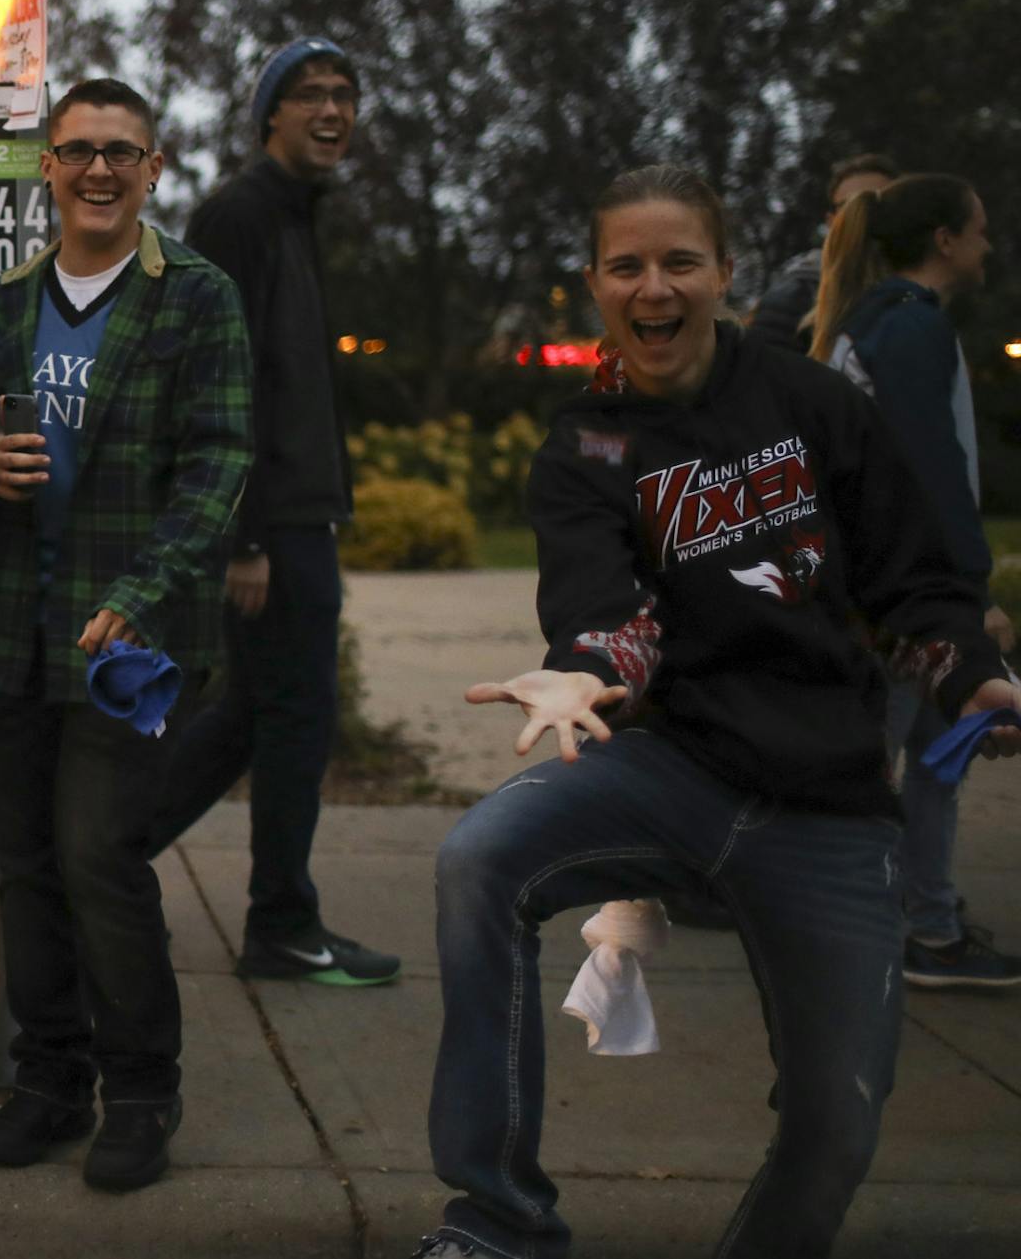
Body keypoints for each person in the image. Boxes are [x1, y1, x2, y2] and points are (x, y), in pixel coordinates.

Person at [418, 165, 1020, 1259]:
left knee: (839, 1121)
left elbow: (911, 583)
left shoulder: (813, 403)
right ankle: (497, 1219)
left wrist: (966, 671)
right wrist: (590, 668)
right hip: (674, 771)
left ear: (725, 273)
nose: (657, 287)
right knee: (482, 854)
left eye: (680, 261)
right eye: (628, 265)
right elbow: (613, 613)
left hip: (828, 800)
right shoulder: (588, 447)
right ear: (596, 283)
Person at [0, 78, 252, 1192]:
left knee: (98, 858)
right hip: (13, 629)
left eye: (120, 153)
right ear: (50, 169)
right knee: (27, 867)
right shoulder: (5, 303)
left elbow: (222, 459)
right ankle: (49, 1079)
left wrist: (147, 585)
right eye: (78, 151)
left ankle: (140, 1090)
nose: (97, 170)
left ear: (153, 168)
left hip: (131, 641)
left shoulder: (197, 298)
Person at [143, 36, 399, 985]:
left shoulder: (293, 217)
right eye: (310, 96)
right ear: (270, 119)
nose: (332, 111)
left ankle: (100, 861)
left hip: (296, 513)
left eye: (345, 94)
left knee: (251, 717)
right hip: (271, 525)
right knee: (294, 718)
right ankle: (281, 923)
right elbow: (221, 376)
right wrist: (242, 532)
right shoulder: (242, 217)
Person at [810, 172, 1018, 991]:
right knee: (888, 763)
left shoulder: (879, 320)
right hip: (900, 595)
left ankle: (926, 922)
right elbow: (928, 470)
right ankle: (888, 929)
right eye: (980, 229)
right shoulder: (908, 328)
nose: (989, 245)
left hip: (881, 586)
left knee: (929, 757)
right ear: (944, 240)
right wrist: (968, 595)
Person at [744, 152, 898, 352]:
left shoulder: (926, 286)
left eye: (878, 203)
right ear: (831, 221)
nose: (863, 216)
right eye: (850, 206)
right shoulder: (793, 299)